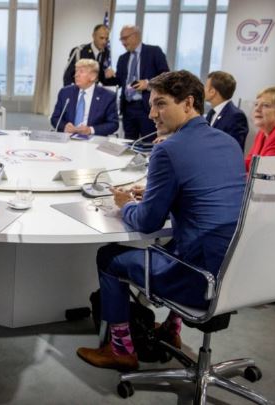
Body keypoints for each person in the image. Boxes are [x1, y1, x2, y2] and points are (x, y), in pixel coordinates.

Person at [76, 70, 245, 371]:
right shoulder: (229, 143)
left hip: (197, 278)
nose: (152, 114)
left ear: (189, 103)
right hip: (235, 272)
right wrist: (160, 193)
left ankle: (120, 349)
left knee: (108, 256)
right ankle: (171, 329)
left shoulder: (167, 149)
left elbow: (146, 223)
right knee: (175, 243)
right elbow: (204, 195)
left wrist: (127, 204)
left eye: (160, 104)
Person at [105, 25, 169, 140]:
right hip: (128, 108)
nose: (123, 43)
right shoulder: (122, 58)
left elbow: (166, 76)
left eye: (125, 38)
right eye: (121, 39)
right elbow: (119, 81)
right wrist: (109, 76)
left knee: (149, 142)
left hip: (147, 107)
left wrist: (148, 84)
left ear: (136, 36)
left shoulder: (154, 52)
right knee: (128, 143)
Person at [51, 59, 118, 135]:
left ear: (93, 76)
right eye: (76, 71)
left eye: (81, 72)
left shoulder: (107, 96)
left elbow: (113, 124)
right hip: (68, 136)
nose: (76, 75)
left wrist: (90, 130)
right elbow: (55, 118)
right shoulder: (65, 93)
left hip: (93, 138)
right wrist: (64, 126)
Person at [245, 87, 275, 172]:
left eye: (265, 105)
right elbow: (248, 163)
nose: (257, 109)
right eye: (256, 104)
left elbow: (266, 174)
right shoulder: (263, 132)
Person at [204, 71, 249, 150]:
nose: (203, 90)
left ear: (212, 92)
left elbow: (234, 148)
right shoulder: (211, 113)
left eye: (205, 86)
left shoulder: (236, 116)